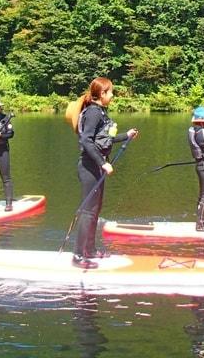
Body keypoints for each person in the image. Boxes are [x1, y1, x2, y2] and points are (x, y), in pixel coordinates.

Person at [73, 77, 138, 269]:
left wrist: (126, 135)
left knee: (95, 210)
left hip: (96, 166)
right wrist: (103, 163)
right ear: (102, 94)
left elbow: (104, 140)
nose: (112, 95)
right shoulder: (93, 112)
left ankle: (90, 251)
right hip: (89, 166)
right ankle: (77, 256)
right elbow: (86, 141)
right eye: (110, 92)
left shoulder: (100, 111)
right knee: (88, 212)